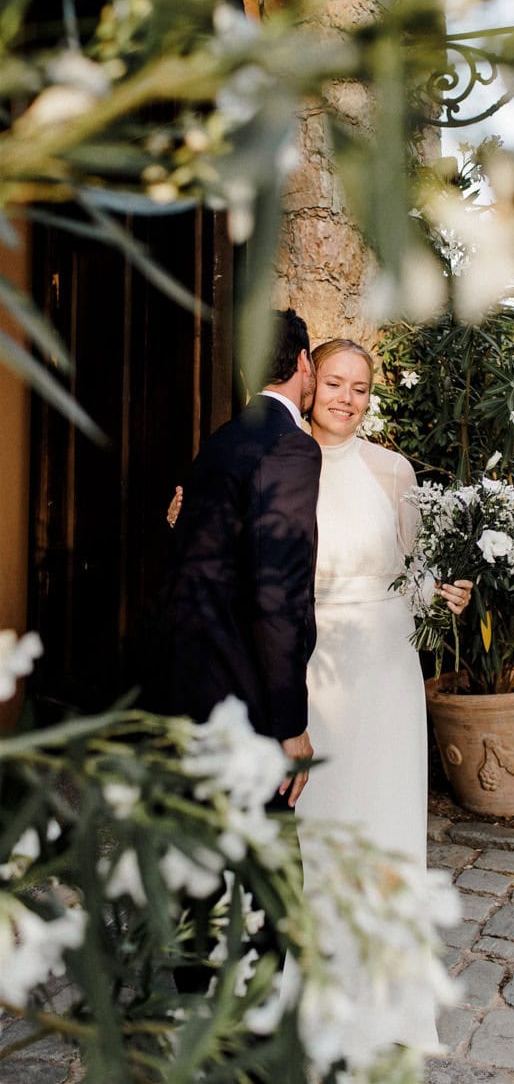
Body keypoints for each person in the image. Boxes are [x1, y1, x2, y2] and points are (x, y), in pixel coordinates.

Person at [168, 336, 472, 1048]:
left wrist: (444, 593)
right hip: (302, 668)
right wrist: (183, 521)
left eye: (360, 387)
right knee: (308, 825)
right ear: (309, 380)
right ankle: (298, 979)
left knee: (382, 819)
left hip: (384, 672)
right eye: (334, 381)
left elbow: (411, 573)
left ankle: (381, 987)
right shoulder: (277, 454)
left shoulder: (394, 472)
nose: (346, 397)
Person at [153, 307, 321, 811]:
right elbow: (278, 593)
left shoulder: (222, 439)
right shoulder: (291, 447)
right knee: (270, 865)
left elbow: (203, 552)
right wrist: (290, 724)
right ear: (305, 363)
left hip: (195, 681)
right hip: (248, 690)